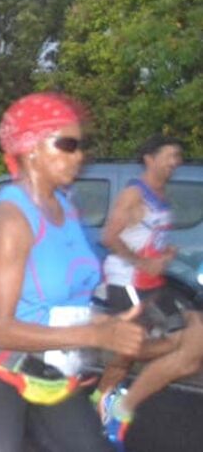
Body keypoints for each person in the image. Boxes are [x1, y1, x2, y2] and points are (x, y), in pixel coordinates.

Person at [0, 93, 145, 452]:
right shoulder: (11, 218)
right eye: (68, 144)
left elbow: (66, 294)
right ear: (31, 149)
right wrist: (95, 335)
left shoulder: (66, 206)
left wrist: (108, 321)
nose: (79, 155)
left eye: (81, 145)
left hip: (54, 374)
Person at [96, 135, 203, 448]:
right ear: (149, 158)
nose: (175, 162)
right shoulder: (135, 193)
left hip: (154, 284)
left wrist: (165, 252)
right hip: (128, 282)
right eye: (169, 155)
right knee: (131, 354)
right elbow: (109, 237)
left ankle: (114, 404)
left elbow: (147, 237)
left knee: (193, 352)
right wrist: (143, 261)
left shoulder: (161, 194)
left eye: (178, 156)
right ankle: (110, 406)